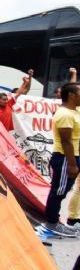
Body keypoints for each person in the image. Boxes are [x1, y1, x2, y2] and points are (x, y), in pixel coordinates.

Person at [42, 82, 80, 237]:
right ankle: (51, 224)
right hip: (65, 158)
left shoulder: (75, 111)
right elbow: (66, 141)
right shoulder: (64, 114)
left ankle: (55, 222)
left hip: (72, 157)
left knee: (62, 191)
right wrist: (71, 164)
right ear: (71, 95)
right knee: (58, 192)